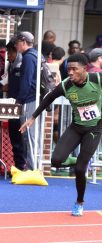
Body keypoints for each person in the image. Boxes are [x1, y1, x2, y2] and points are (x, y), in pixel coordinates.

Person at [19, 53, 102, 216]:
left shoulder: (98, 79)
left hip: (94, 128)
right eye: (68, 69)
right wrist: (33, 117)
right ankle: (80, 162)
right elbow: (48, 99)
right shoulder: (65, 86)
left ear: (84, 69)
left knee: (79, 170)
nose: (70, 73)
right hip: (76, 127)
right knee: (56, 161)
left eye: (74, 69)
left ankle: (79, 202)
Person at [14, 31, 39, 170]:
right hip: (35, 99)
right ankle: (32, 166)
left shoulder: (28, 57)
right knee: (32, 134)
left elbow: (26, 81)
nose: (16, 46)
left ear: (23, 42)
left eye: (17, 43)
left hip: (30, 99)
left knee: (29, 134)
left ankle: (31, 168)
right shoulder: (36, 54)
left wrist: (19, 100)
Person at [4, 40, 27, 171]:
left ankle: (22, 166)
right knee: (14, 137)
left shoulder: (22, 65)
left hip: (20, 106)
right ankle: (19, 165)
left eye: (9, 53)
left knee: (19, 137)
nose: (8, 56)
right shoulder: (12, 66)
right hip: (13, 106)